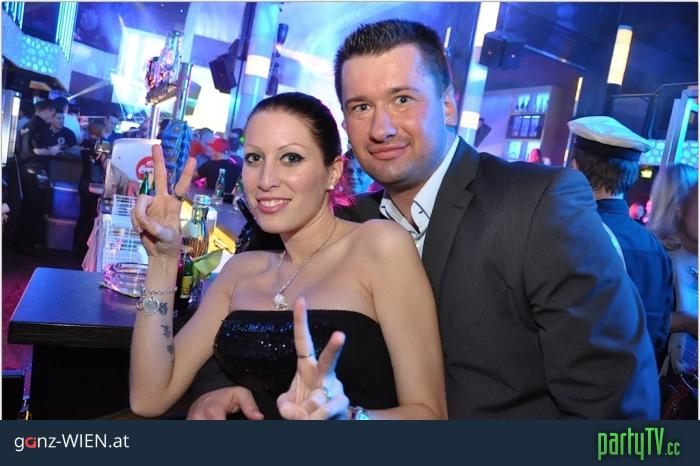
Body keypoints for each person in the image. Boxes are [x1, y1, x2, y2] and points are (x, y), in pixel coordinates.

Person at [188, 19, 659, 420]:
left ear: (448, 104)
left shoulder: (535, 204)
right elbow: (259, 318)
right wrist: (219, 389)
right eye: (361, 107)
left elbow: (615, 405)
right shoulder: (350, 221)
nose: (381, 128)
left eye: (403, 100)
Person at [129, 92, 446, 420]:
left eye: (291, 158)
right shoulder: (241, 270)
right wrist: (162, 262)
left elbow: (430, 415)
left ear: (334, 172)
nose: (266, 180)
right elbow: (149, 398)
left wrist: (348, 418)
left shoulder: (379, 246)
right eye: (254, 158)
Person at [569, 116, 674, 365]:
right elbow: (660, 330)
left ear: (575, 168)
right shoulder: (655, 247)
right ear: (631, 176)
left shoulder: (571, 233)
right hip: (638, 381)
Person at [647, 164, 698, 418]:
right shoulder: (657, 253)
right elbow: (637, 319)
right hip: (663, 386)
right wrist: (688, 322)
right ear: (679, 206)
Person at [14, 99, 62, 252]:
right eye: (53, 115)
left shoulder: (27, 125)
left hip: (26, 169)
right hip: (36, 170)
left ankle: (20, 243)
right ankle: (28, 245)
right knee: (35, 208)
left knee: (27, 207)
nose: (52, 119)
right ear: (47, 111)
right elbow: (36, 150)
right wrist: (52, 150)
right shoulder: (39, 126)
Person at [73, 121, 108, 257]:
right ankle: (84, 248)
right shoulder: (102, 144)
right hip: (94, 185)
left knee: (83, 215)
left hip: (83, 181)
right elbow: (106, 166)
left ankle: (76, 246)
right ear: (100, 130)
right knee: (91, 217)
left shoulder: (84, 143)